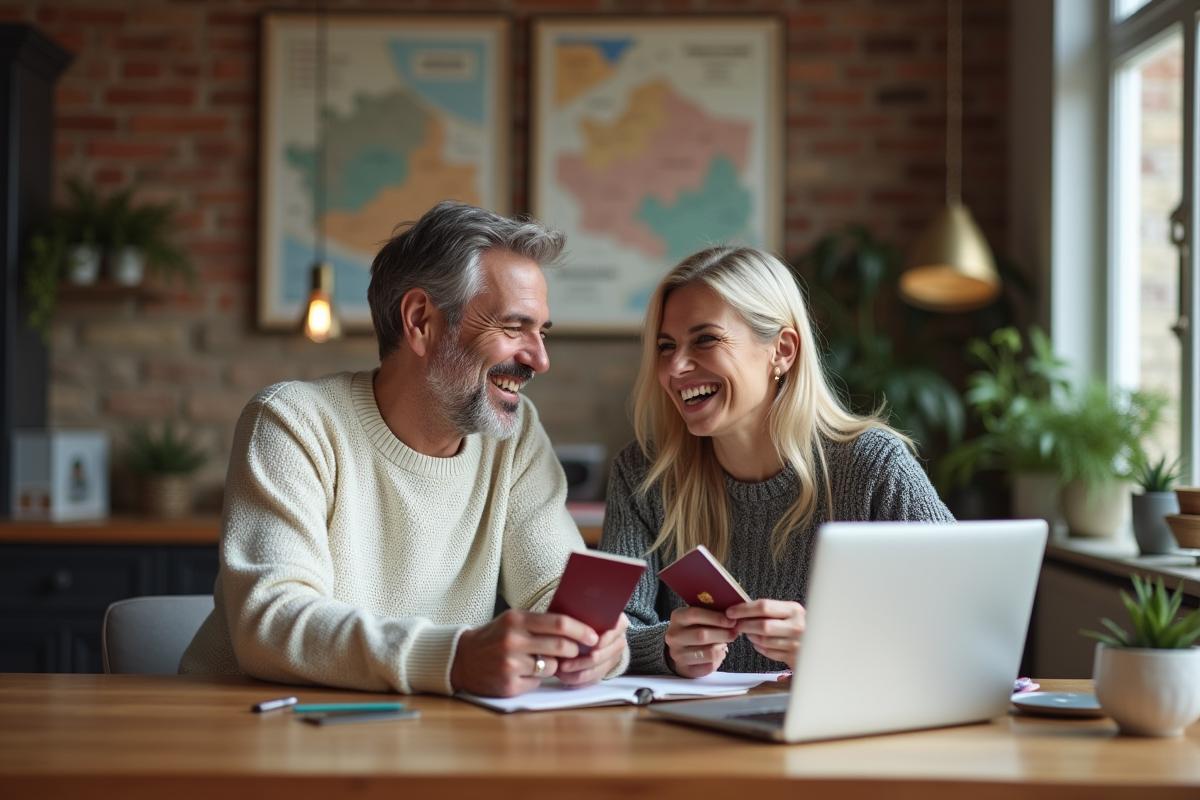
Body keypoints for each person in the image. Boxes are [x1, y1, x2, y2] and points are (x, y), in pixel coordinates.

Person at [180, 200, 628, 697]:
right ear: (420, 321)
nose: (539, 360)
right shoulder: (292, 422)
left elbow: (555, 592)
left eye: (541, 332)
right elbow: (272, 621)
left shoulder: (515, 437)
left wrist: (598, 644)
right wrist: (453, 660)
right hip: (252, 728)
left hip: (420, 730)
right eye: (513, 327)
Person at [598, 245, 953, 678]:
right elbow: (611, 636)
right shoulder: (643, 475)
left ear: (782, 351)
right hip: (694, 740)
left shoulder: (873, 466)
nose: (677, 367)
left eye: (705, 339)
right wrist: (668, 650)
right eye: (666, 347)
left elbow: (962, 621)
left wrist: (831, 648)